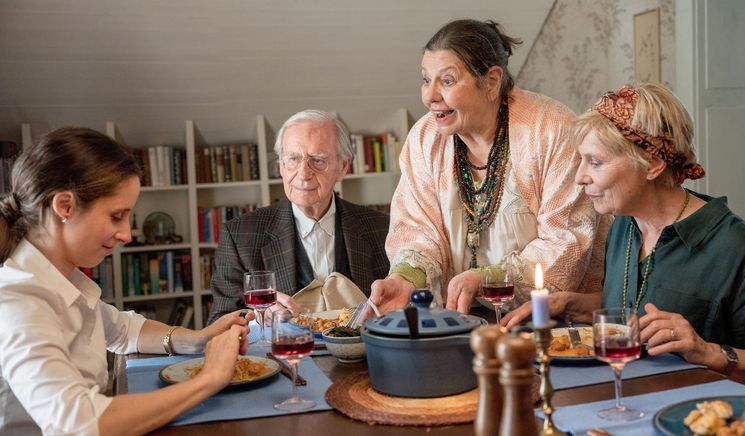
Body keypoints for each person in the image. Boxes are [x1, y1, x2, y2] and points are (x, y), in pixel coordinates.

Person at [503, 83, 745, 386]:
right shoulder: (624, 223)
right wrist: (569, 305)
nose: (580, 177)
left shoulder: (735, 248)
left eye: (595, 162)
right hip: (622, 398)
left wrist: (710, 352)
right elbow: (634, 310)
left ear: (652, 163)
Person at [0, 127, 254, 435]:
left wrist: (198, 339)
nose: (126, 234)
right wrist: (210, 378)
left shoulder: (61, 278)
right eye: (116, 216)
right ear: (64, 206)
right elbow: (78, 422)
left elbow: (123, 329)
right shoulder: (16, 300)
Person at [369, 19, 605, 315]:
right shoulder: (425, 138)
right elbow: (417, 229)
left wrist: (487, 279)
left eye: (447, 80)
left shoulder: (550, 129)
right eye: (426, 79)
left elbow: (566, 244)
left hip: (550, 324)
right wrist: (405, 279)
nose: (430, 96)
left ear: (492, 81)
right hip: (460, 321)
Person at [207, 109, 390, 323]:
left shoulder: (382, 228)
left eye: (318, 160)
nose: (303, 174)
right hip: (282, 354)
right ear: (281, 166)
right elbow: (219, 322)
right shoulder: (239, 235)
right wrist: (260, 317)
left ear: (342, 167)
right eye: (293, 159)